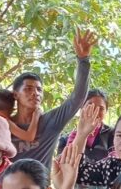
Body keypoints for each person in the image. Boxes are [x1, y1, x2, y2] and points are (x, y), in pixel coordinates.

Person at [10, 29, 98, 166]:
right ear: (16, 94)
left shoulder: (51, 121)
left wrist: (83, 60)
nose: (35, 93)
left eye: (39, 90)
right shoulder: (4, 124)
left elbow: (77, 99)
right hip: (6, 181)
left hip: (40, 181)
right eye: (28, 89)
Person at [58, 89, 115, 189]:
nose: (95, 111)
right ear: (81, 108)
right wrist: (82, 135)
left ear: (106, 111)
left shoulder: (113, 134)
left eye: (101, 108)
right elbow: (65, 166)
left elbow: (115, 164)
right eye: (90, 105)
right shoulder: (67, 138)